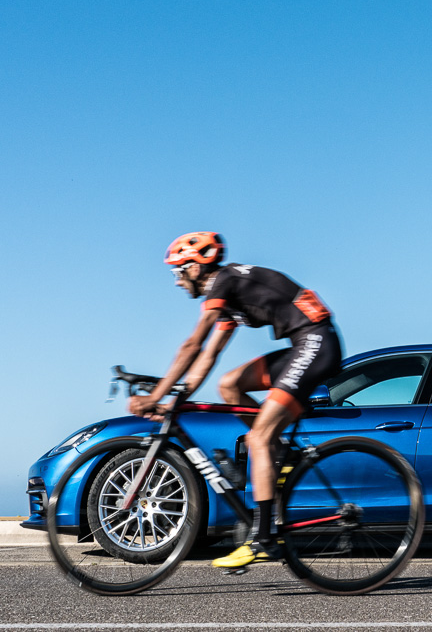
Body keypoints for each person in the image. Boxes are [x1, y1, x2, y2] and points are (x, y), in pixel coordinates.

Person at [128, 231, 343, 568]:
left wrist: (154, 396)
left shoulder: (224, 281)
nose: (177, 282)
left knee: (258, 439)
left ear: (195, 267)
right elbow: (210, 355)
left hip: (316, 344)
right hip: (305, 344)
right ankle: (279, 451)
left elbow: (193, 344)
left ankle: (263, 539)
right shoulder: (229, 296)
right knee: (229, 385)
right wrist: (177, 400)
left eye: (178, 272)